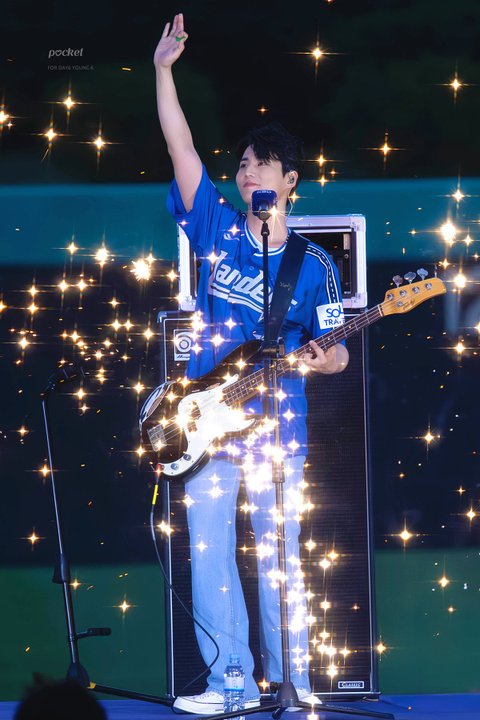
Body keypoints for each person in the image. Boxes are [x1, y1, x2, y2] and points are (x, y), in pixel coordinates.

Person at [153, 13, 349, 714]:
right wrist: (163, 71)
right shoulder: (213, 226)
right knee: (210, 556)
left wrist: (323, 362)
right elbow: (179, 145)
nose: (246, 172)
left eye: (261, 164)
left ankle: (294, 682)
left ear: (290, 180)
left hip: (278, 431)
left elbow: (338, 351)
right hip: (209, 426)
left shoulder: (313, 264)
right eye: (241, 164)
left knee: (280, 557)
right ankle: (227, 684)